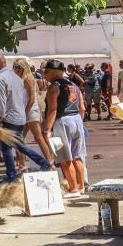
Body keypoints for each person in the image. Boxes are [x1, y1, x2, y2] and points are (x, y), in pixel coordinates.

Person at [0, 54, 51, 181]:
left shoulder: (0, 78)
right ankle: (37, 164)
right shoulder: (16, 77)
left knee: (10, 145)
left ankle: (14, 174)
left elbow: (2, 100)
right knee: (17, 144)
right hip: (19, 115)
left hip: (9, 116)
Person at [42, 60, 86, 197]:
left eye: (46, 72)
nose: (44, 75)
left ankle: (73, 189)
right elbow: (82, 108)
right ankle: (81, 186)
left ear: (53, 72)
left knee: (64, 157)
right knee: (77, 156)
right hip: (77, 119)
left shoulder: (54, 87)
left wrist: (46, 129)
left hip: (63, 121)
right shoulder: (74, 85)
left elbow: (53, 110)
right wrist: (79, 123)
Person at [13, 58, 55, 166]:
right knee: (20, 138)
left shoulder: (27, 79)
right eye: (14, 67)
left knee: (37, 137)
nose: (15, 70)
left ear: (23, 68)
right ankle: (21, 163)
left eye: (17, 67)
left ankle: (49, 161)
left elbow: (31, 98)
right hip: (27, 110)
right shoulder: (22, 79)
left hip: (30, 110)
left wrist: (24, 113)